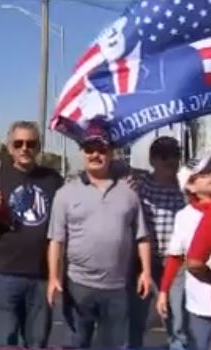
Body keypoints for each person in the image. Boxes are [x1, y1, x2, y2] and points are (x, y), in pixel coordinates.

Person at [47, 119, 152, 349]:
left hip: (117, 288)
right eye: (89, 149)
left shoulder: (129, 192)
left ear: (111, 153)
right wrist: (54, 277)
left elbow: (142, 237)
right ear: (82, 153)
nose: (95, 155)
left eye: (101, 149)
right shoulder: (65, 194)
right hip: (78, 285)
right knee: (76, 344)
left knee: (114, 345)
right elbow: (57, 240)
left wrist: (145, 272)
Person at [0, 121, 63, 348]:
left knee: (37, 342)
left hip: (41, 277)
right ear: (9, 147)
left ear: (38, 147)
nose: (25, 148)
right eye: (18, 143)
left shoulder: (52, 180)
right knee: (4, 341)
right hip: (4, 276)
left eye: (30, 143)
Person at [128, 136, 188, 350]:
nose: (170, 160)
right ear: (152, 160)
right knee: (137, 318)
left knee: (177, 318)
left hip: (176, 263)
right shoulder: (138, 186)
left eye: (175, 155)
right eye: (164, 156)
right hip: (144, 262)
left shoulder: (185, 190)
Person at [157, 155, 211, 350]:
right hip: (199, 303)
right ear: (190, 186)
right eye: (203, 175)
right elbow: (175, 257)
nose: (210, 176)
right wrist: (164, 291)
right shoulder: (184, 217)